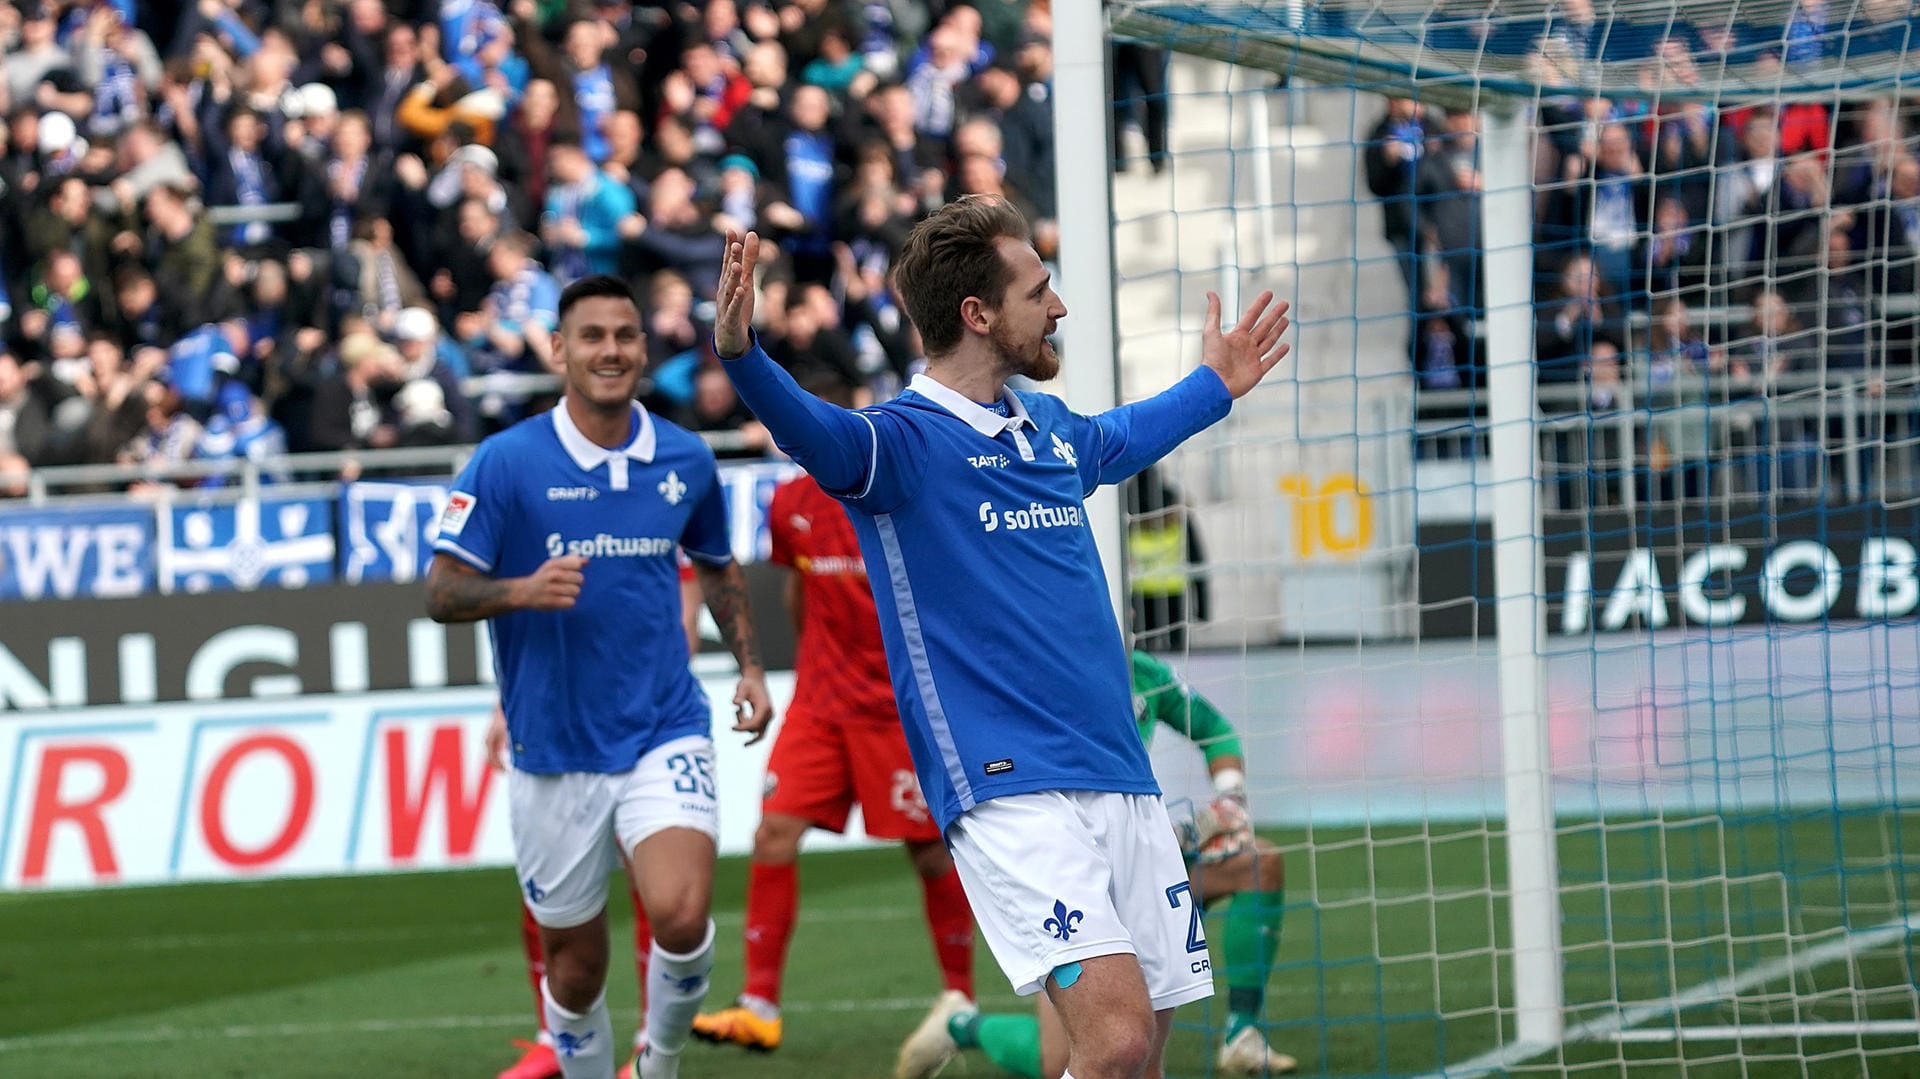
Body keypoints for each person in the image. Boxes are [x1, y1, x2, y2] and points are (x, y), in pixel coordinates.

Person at [714, 195, 1291, 1079]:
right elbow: (812, 431)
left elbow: (1125, 434)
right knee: (1116, 1039)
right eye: (1039, 290)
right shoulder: (897, 447)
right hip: (1009, 785)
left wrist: (1214, 385)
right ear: (977, 315)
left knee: (1143, 1060)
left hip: (1120, 774)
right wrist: (743, 356)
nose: (1057, 307)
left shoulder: (1049, 431)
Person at [427, 274, 775, 1079]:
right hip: (553, 749)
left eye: (624, 335)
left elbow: (717, 567)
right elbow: (441, 591)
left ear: (643, 349)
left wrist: (751, 667)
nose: (610, 350)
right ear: (559, 351)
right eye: (591, 336)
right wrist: (520, 589)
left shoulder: (684, 458)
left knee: (683, 916)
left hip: (664, 724)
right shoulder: (504, 463)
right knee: (576, 971)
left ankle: (660, 1061)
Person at [691, 378, 976, 1053]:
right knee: (774, 833)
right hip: (820, 706)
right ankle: (758, 1001)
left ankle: (958, 994)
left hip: (896, 710)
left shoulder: (896, 487)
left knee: (931, 851)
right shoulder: (790, 502)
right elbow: (798, 592)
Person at [897, 649, 1294, 1077]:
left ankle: (1242, 1032)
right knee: (1071, 1060)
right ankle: (963, 1026)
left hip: (1151, 857)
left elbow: (1215, 730)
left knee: (1259, 863)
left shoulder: (1145, 673)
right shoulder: (1040, 663)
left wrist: (1229, 796)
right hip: (1078, 871)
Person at [488, 571, 708, 1079]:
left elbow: (683, 621)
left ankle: (648, 1040)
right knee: (547, 891)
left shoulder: (658, 505)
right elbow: (536, 632)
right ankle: (552, 1036)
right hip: (557, 729)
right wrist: (506, 705)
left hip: (641, 731)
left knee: (657, 887)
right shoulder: (550, 513)